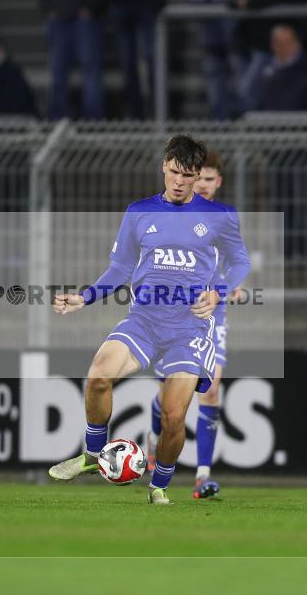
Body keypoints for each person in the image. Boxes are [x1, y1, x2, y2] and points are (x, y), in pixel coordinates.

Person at [48, 136, 251, 505]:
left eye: (188, 175)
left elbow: (240, 263)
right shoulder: (139, 211)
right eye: (174, 172)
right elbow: (121, 268)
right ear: (164, 166)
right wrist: (85, 296)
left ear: (197, 176)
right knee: (97, 376)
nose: (179, 182)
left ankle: (159, 486)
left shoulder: (218, 216)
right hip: (143, 320)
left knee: (174, 417)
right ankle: (94, 455)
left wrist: (219, 291)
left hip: (188, 329)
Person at [147, 150, 241, 499]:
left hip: (209, 312)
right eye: (196, 178)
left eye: (208, 179)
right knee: (170, 393)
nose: (202, 184)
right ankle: (155, 438)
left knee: (211, 388)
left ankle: (203, 476)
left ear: (218, 182)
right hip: (169, 309)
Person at [39, 0, 106, 119]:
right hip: (58, 17)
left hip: (86, 18)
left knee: (91, 73)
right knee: (57, 73)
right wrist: (48, 8)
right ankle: (57, 122)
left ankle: (93, 123)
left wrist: (91, 7)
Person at [241, 23, 307, 112]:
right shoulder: (264, 68)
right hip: (265, 120)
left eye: (287, 42)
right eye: (278, 43)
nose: (283, 47)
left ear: (297, 43)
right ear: (272, 45)